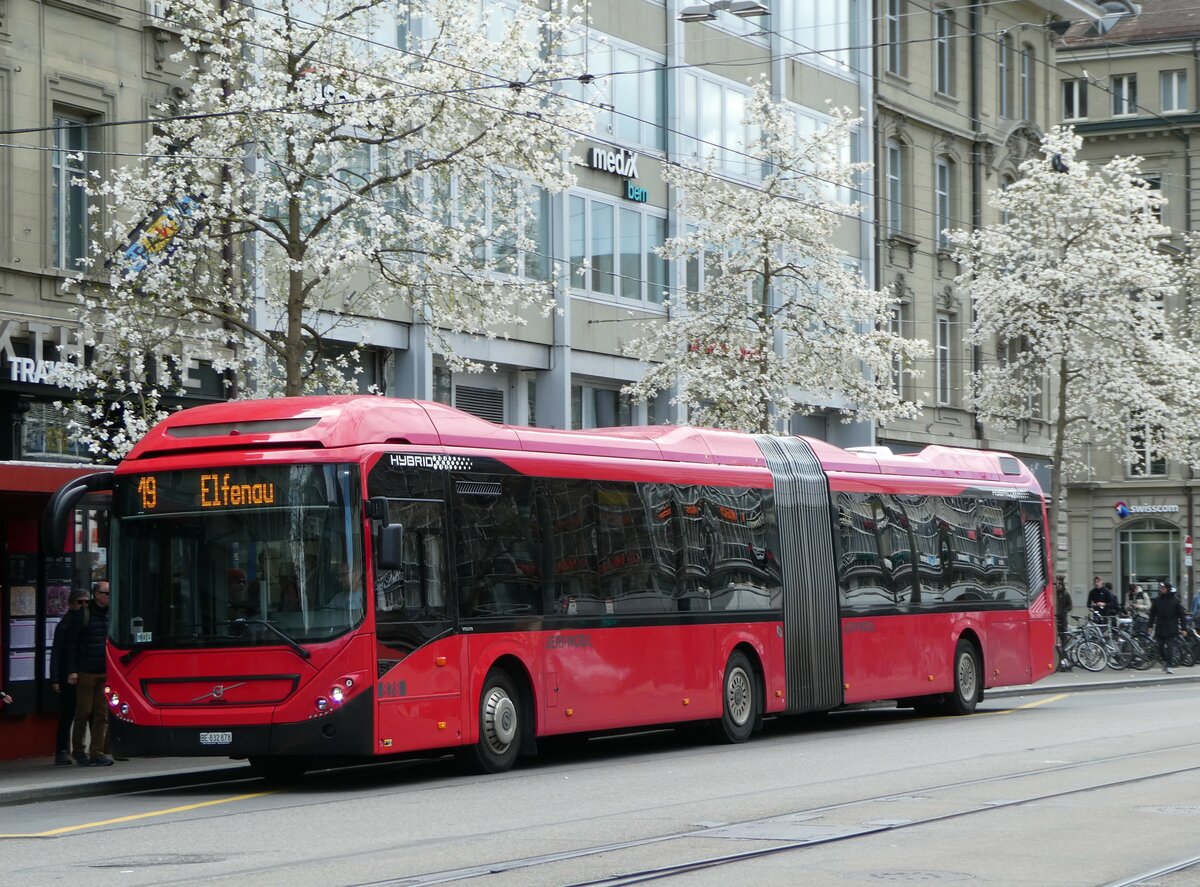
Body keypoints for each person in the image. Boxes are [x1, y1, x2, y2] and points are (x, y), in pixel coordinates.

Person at [63, 580, 113, 766]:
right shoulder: (82, 615)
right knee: (84, 711)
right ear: (97, 595)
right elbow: (71, 644)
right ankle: (78, 749)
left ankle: (97, 751)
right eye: (106, 593)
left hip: (105, 671)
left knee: (102, 713)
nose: (109, 597)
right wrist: (72, 670)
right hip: (85, 671)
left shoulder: (112, 615)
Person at [49, 588, 90, 765]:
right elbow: (56, 652)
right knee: (68, 713)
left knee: (90, 711)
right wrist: (55, 678)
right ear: (72, 603)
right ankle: (62, 750)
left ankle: (90, 748)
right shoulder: (65, 624)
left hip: (86, 671)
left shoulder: (88, 621)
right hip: (69, 675)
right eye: (80, 602)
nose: (84, 605)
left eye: (87, 602)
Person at [1149, 579, 1187, 674]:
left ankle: (1169, 665)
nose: (1161, 589)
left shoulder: (1175, 601)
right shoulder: (1157, 600)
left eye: (1163, 588)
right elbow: (1152, 614)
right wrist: (1149, 626)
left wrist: (1184, 628)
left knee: (1170, 647)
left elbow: (1182, 615)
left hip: (1171, 627)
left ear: (1168, 589)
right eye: (1160, 588)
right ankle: (1165, 660)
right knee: (1159, 647)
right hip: (1160, 627)